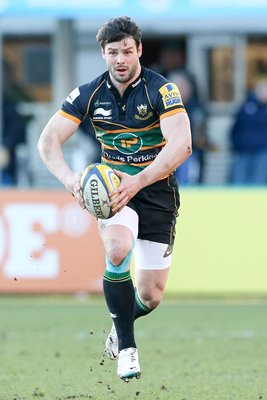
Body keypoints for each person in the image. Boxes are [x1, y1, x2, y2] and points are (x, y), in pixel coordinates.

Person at [37, 16, 192, 381]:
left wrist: (138, 181)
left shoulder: (161, 90)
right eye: (112, 52)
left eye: (126, 51)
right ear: (103, 55)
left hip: (155, 191)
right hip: (111, 191)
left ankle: (119, 323)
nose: (120, 59)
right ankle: (127, 348)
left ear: (138, 50)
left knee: (151, 296)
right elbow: (47, 141)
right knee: (117, 247)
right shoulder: (89, 93)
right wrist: (70, 179)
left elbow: (182, 144)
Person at [167, 70, 215, 184]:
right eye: (176, 88)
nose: (180, 91)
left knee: (189, 182)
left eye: (183, 87)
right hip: (166, 154)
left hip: (190, 154)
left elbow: (200, 137)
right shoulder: (161, 108)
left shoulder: (197, 109)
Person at [229, 78, 267, 184]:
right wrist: (236, 145)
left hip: (263, 152)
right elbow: (235, 128)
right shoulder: (245, 107)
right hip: (243, 151)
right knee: (239, 180)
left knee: (259, 181)